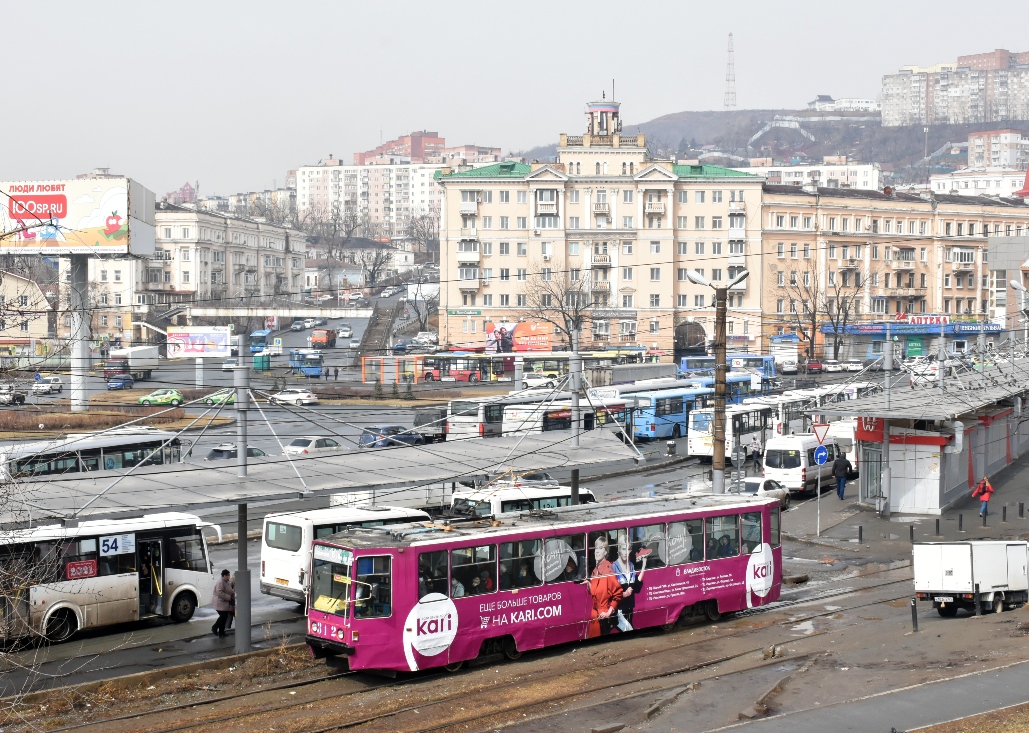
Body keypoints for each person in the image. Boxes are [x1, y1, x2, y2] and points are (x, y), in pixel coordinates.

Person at [585, 536, 622, 638]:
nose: (597, 551)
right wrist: (589, 584)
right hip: (594, 616)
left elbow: (618, 593)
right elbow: (596, 592)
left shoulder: (608, 569)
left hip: (603, 617)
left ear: (605, 552)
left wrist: (609, 612)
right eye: (596, 548)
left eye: (600, 548)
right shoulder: (595, 570)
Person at [610, 538, 650, 632]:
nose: (626, 552)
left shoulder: (631, 565)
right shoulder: (613, 567)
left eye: (628, 549)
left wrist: (644, 565)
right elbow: (610, 591)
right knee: (629, 630)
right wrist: (623, 594)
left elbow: (636, 586)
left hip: (630, 608)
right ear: (618, 549)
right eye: (623, 549)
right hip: (619, 609)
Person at [211, 569, 235, 637]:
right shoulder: (220, 582)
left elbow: (229, 589)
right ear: (224, 575)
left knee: (224, 617)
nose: (229, 576)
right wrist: (228, 597)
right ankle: (215, 628)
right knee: (223, 616)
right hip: (219, 603)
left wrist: (233, 593)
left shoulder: (226, 581)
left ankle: (221, 632)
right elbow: (219, 592)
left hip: (223, 603)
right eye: (228, 575)